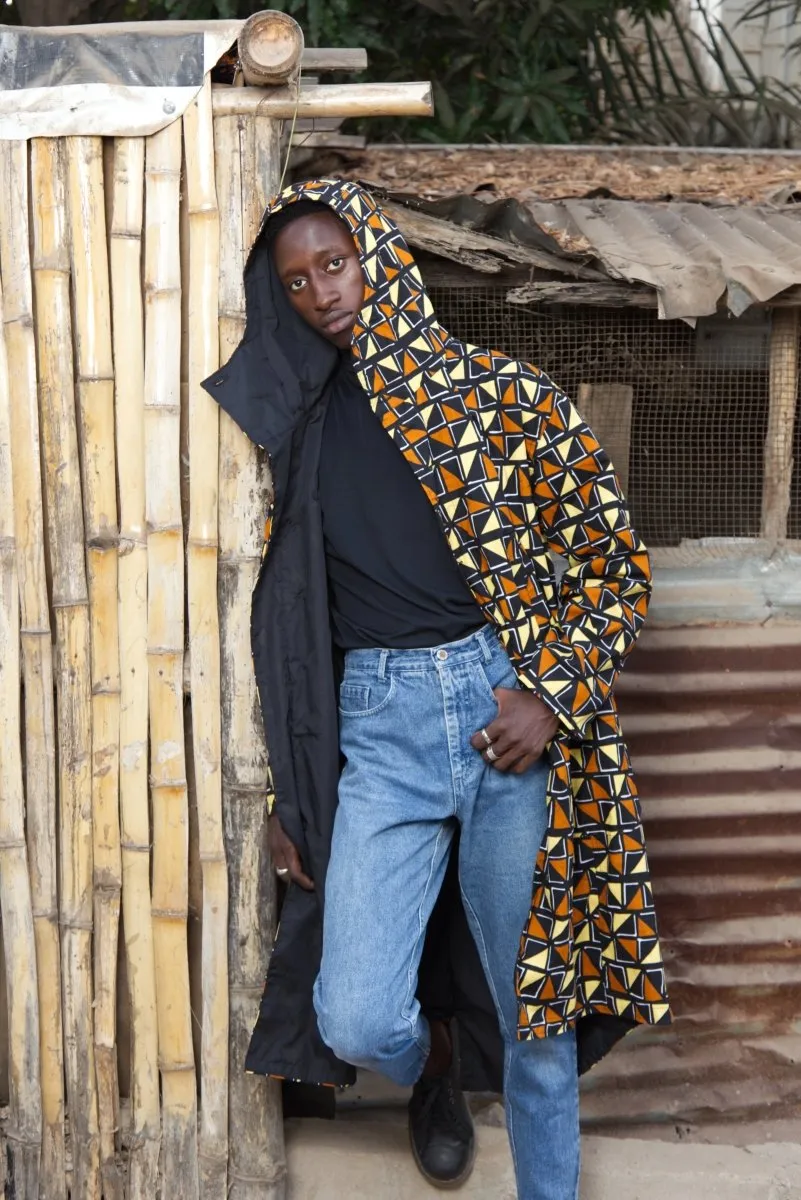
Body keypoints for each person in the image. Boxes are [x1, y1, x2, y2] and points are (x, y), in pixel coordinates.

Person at [203, 179, 670, 1200]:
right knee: (355, 1016)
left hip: (505, 711)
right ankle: (434, 1071)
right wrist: (294, 790)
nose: (326, 292)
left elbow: (615, 564)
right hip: (378, 726)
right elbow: (285, 628)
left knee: (533, 1016)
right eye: (298, 281)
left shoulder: (501, 395)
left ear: (378, 254)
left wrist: (550, 694)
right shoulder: (300, 433)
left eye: (337, 262)